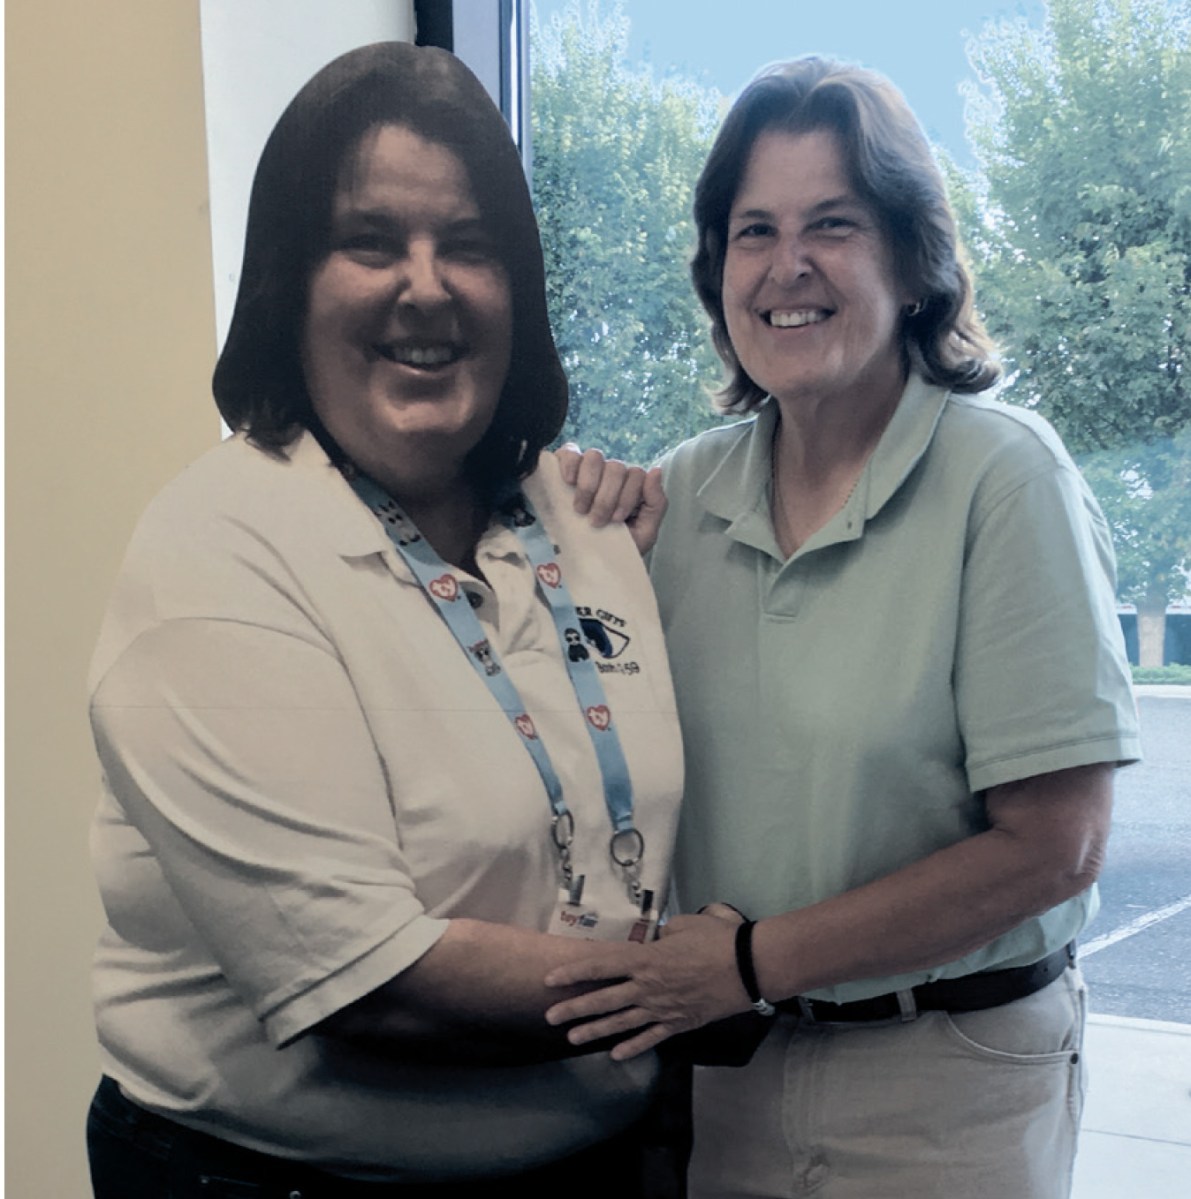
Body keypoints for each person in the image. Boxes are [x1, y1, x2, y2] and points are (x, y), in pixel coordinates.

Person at [85, 42, 685, 1197]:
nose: (426, 285)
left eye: (469, 245)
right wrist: (703, 982)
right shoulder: (217, 550)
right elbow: (375, 988)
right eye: (371, 242)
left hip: (593, 1166)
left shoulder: (584, 521)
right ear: (289, 281)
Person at [547, 56, 1140, 1199]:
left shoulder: (1004, 479)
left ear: (914, 262)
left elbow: (1055, 843)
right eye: (753, 230)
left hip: (945, 1082)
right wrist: (579, 549)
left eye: (834, 224)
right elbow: (591, 769)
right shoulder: (679, 496)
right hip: (726, 1075)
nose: (788, 266)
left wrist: (748, 961)